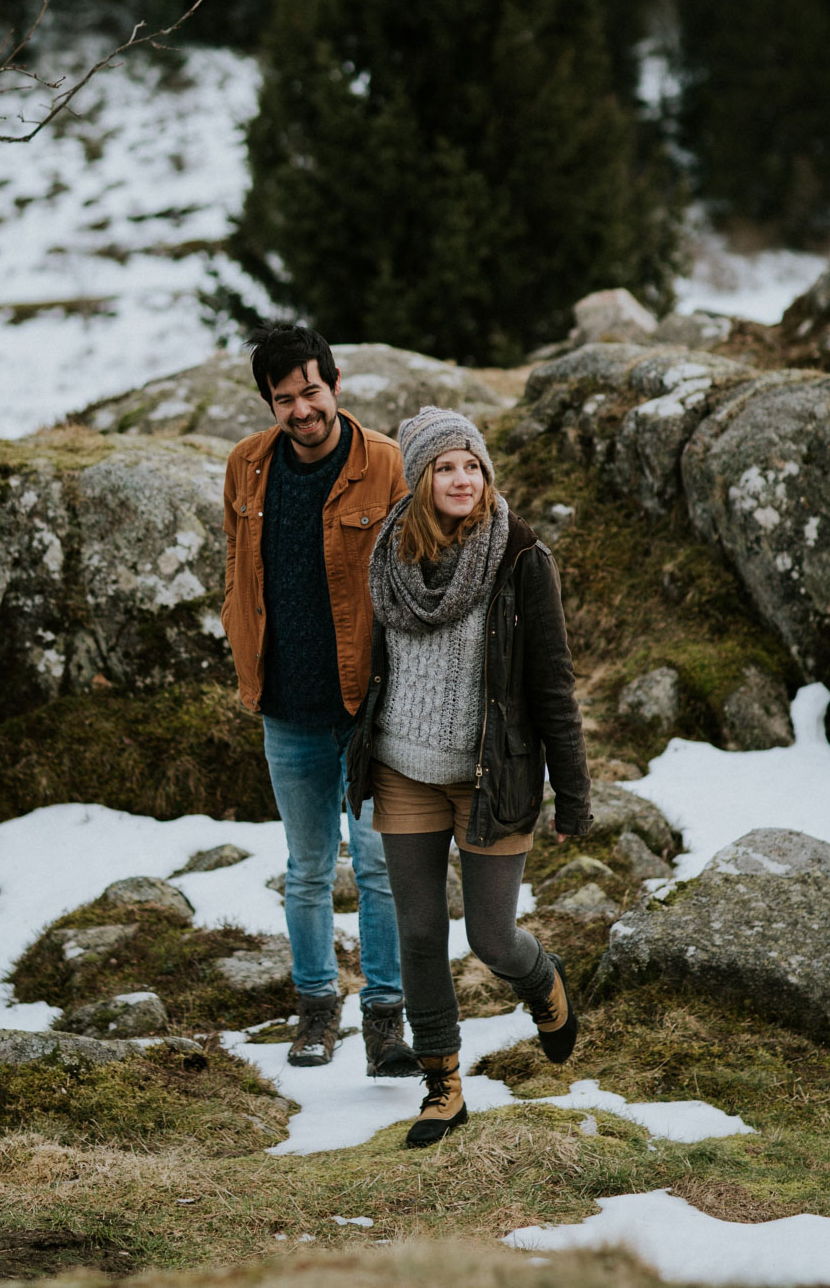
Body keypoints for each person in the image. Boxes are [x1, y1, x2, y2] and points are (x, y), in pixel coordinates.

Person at [346, 405, 591, 1147]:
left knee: (490, 935)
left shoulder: (521, 557)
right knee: (419, 932)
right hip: (403, 769)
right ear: (419, 477)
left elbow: (554, 683)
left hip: (495, 776)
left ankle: (542, 981)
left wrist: (574, 793)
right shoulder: (389, 553)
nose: (461, 478)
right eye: (445, 466)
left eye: (472, 465)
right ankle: (443, 1084)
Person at [221, 322, 420, 1077]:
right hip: (285, 705)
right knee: (306, 868)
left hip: (370, 708)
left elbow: (417, 571)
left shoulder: (388, 464)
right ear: (269, 404)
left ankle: (385, 1019)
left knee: (376, 866)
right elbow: (239, 567)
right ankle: (314, 1010)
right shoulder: (245, 466)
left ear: (334, 383)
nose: (301, 409)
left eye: (310, 391)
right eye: (283, 399)